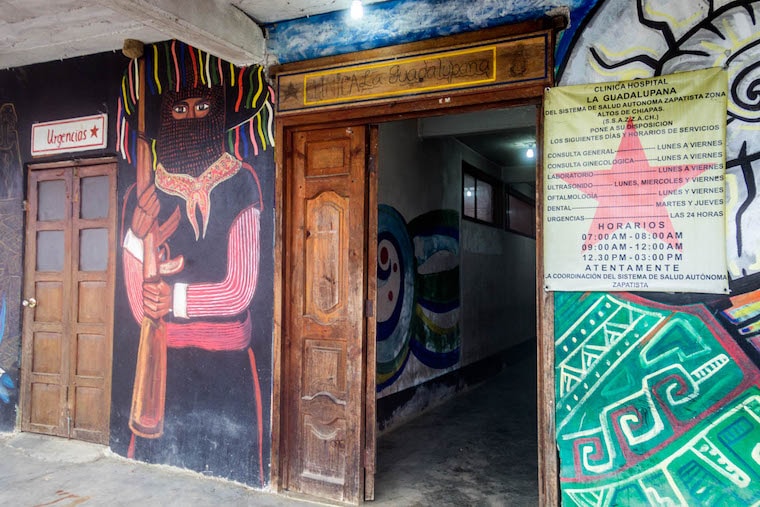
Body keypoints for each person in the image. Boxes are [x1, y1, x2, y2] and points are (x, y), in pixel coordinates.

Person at [121, 69, 266, 485]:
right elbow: (138, 306)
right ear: (165, 117)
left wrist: (175, 301)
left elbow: (239, 290)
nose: (191, 118)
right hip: (162, 370)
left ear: (219, 110)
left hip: (228, 371)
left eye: (202, 107)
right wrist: (135, 235)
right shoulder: (141, 194)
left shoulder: (241, 182)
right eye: (179, 109)